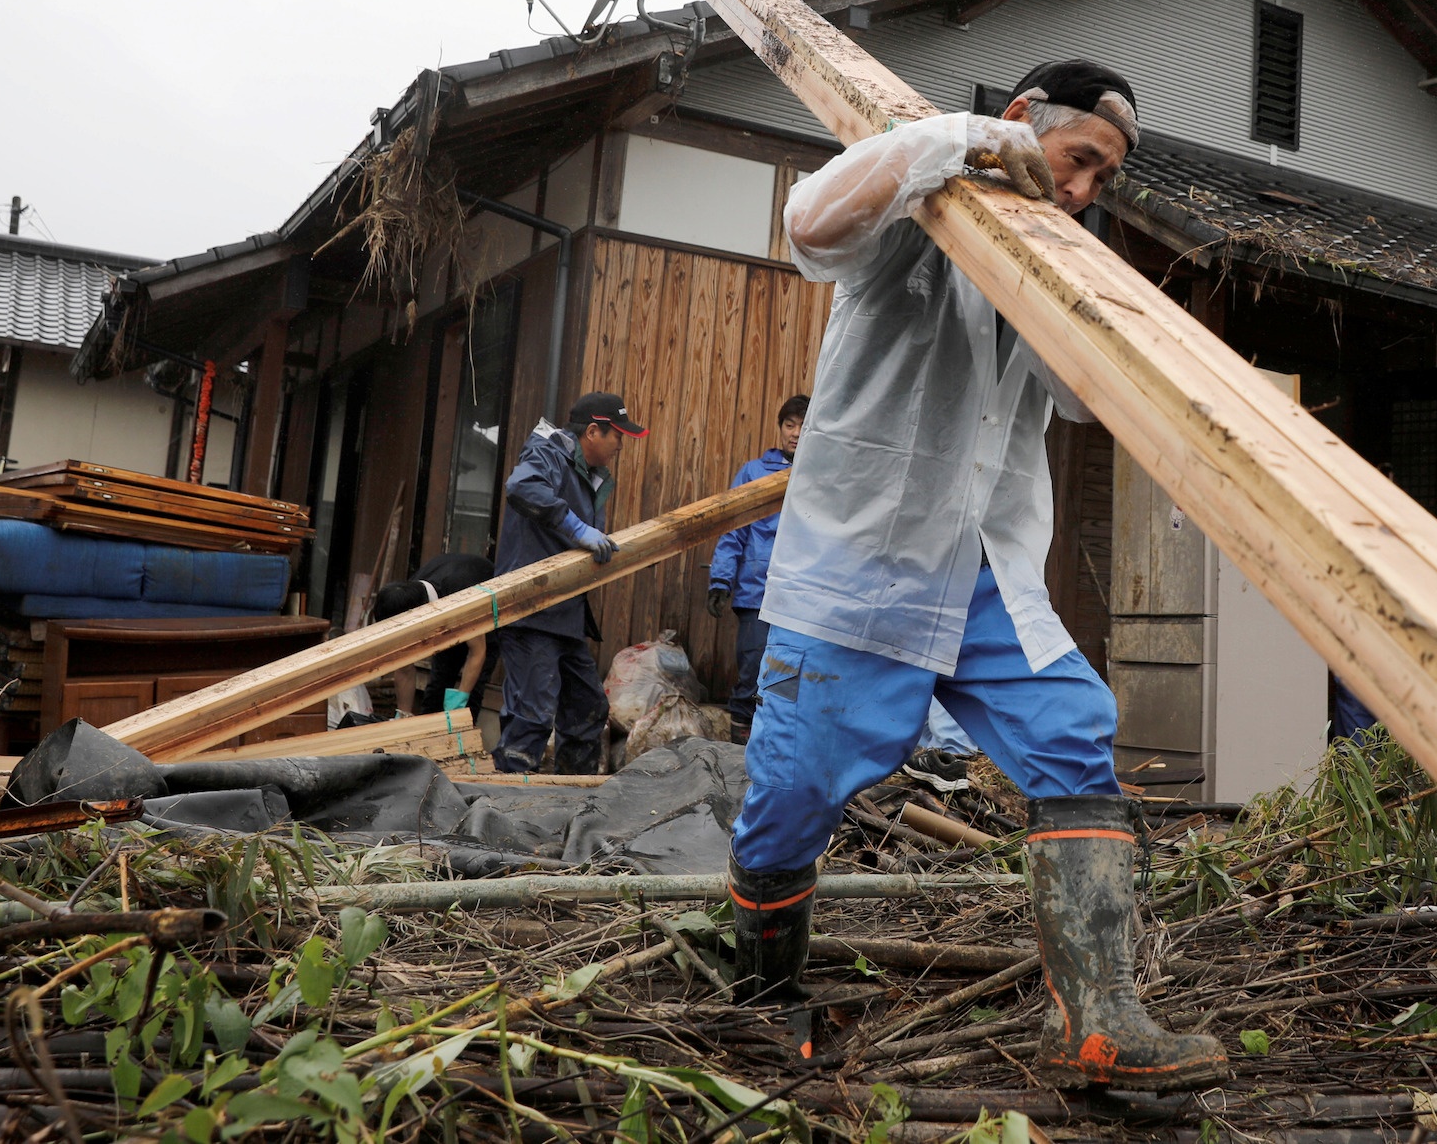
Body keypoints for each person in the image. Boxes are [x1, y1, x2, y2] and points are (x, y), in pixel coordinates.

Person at [726, 60, 1228, 1090]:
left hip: (990, 569)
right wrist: (960, 144)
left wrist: (1090, 300)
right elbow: (810, 226)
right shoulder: (916, 200)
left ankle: (1101, 1026)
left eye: (1104, 178)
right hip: (864, 558)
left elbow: (1083, 401)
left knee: (1071, 737)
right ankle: (764, 1001)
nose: (1085, 189)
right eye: (1079, 159)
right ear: (1019, 120)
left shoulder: (1054, 250)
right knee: (793, 794)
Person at [489, 392, 644, 774]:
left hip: (565, 612)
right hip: (531, 610)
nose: (620, 445)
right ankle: (505, 810)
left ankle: (570, 803)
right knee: (533, 715)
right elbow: (522, 488)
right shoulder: (548, 453)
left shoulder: (591, 476)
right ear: (593, 431)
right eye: (617, 436)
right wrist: (577, 527)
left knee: (588, 709)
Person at [707, 395, 808, 743]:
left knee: (788, 677)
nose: (795, 433)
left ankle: (775, 751)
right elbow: (734, 529)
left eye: (802, 425)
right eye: (789, 424)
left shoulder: (821, 476)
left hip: (802, 596)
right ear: (780, 429)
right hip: (757, 592)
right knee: (751, 671)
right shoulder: (753, 472)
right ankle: (739, 753)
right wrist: (721, 579)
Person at [368, 552, 497, 716]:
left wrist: (461, 697)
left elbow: (478, 652)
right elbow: (404, 667)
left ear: (414, 616)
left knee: (471, 695)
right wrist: (403, 714)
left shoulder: (460, 595)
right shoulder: (408, 593)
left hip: (483, 616)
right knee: (436, 688)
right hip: (445, 618)